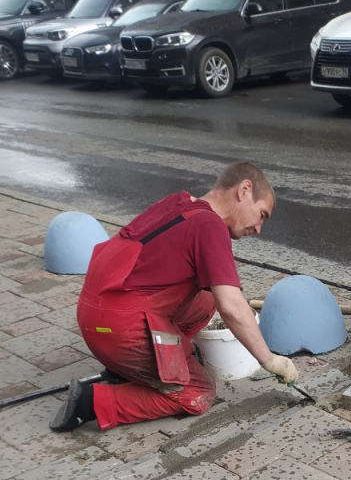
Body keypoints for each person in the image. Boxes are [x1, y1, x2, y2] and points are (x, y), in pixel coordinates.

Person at [51, 161, 298, 433]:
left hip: (96, 313)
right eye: (262, 214)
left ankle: (132, 371)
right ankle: (91, 403)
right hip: (118, 328)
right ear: (244, 189)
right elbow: (232, 306)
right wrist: (269, 360)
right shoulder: (209, 226)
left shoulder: (179, 203)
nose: (259, 229)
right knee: (197, 394)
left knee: (206, 300)